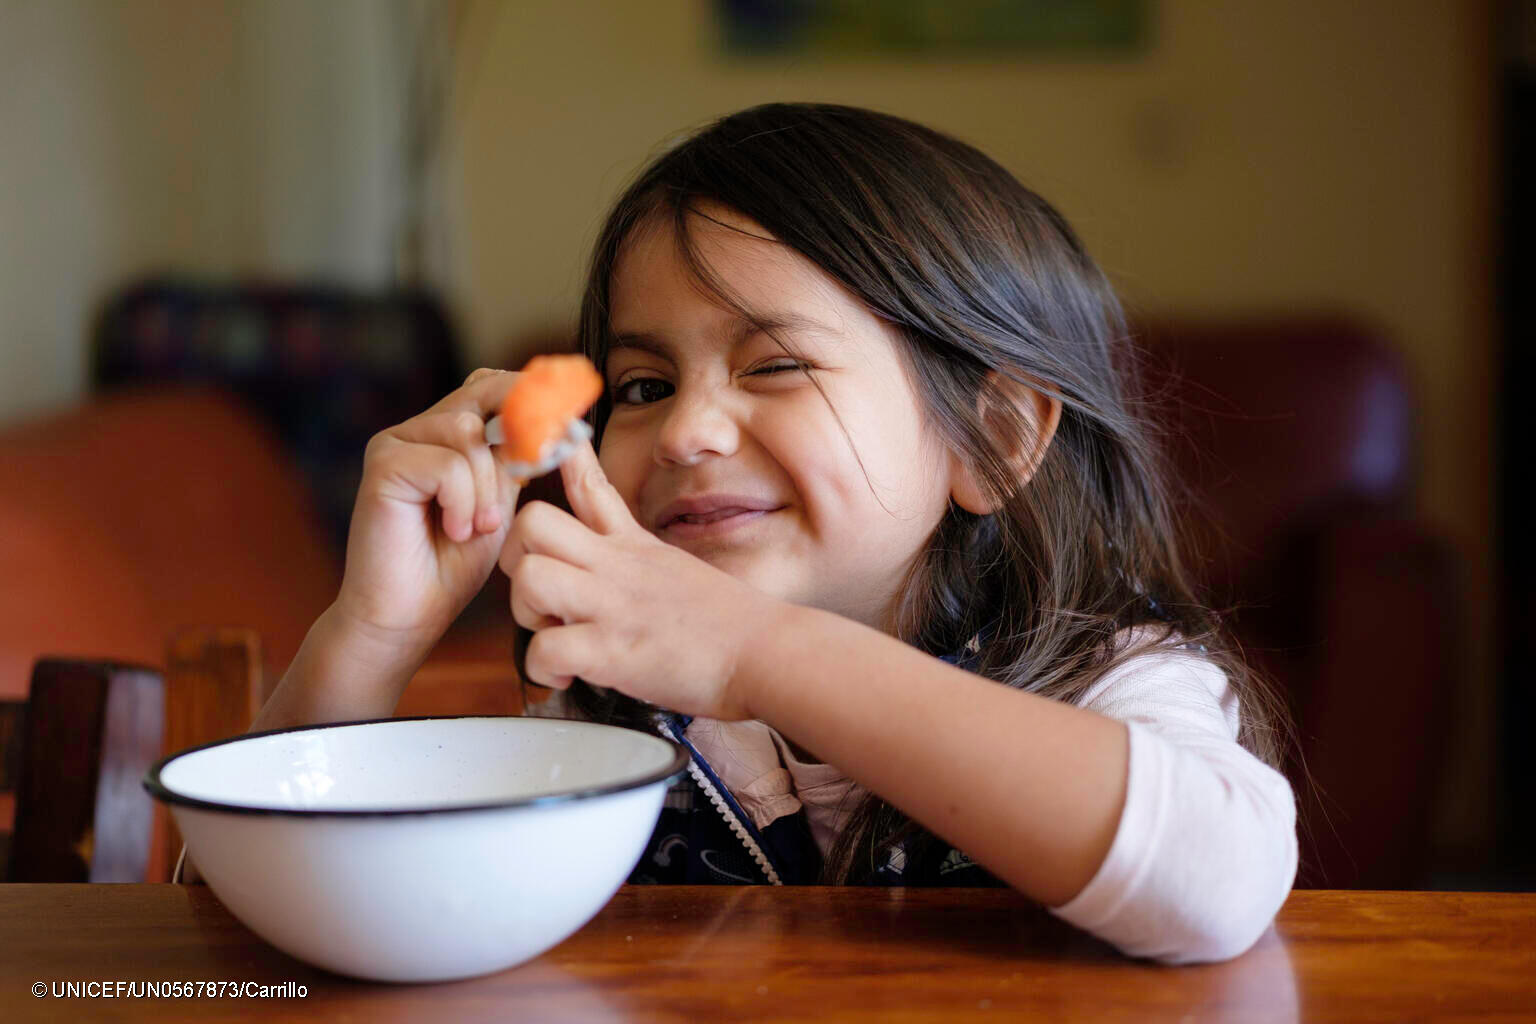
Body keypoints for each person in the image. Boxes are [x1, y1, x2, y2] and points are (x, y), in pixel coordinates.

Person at [251, 103, 1297, 964]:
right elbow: (268, 922)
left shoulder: (1108, 680)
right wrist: (374, 634)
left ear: (993, 439)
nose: (686, 433)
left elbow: (1212, 883)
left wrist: (755, 652)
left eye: (773, 365)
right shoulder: (607, 708)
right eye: (643, 386)